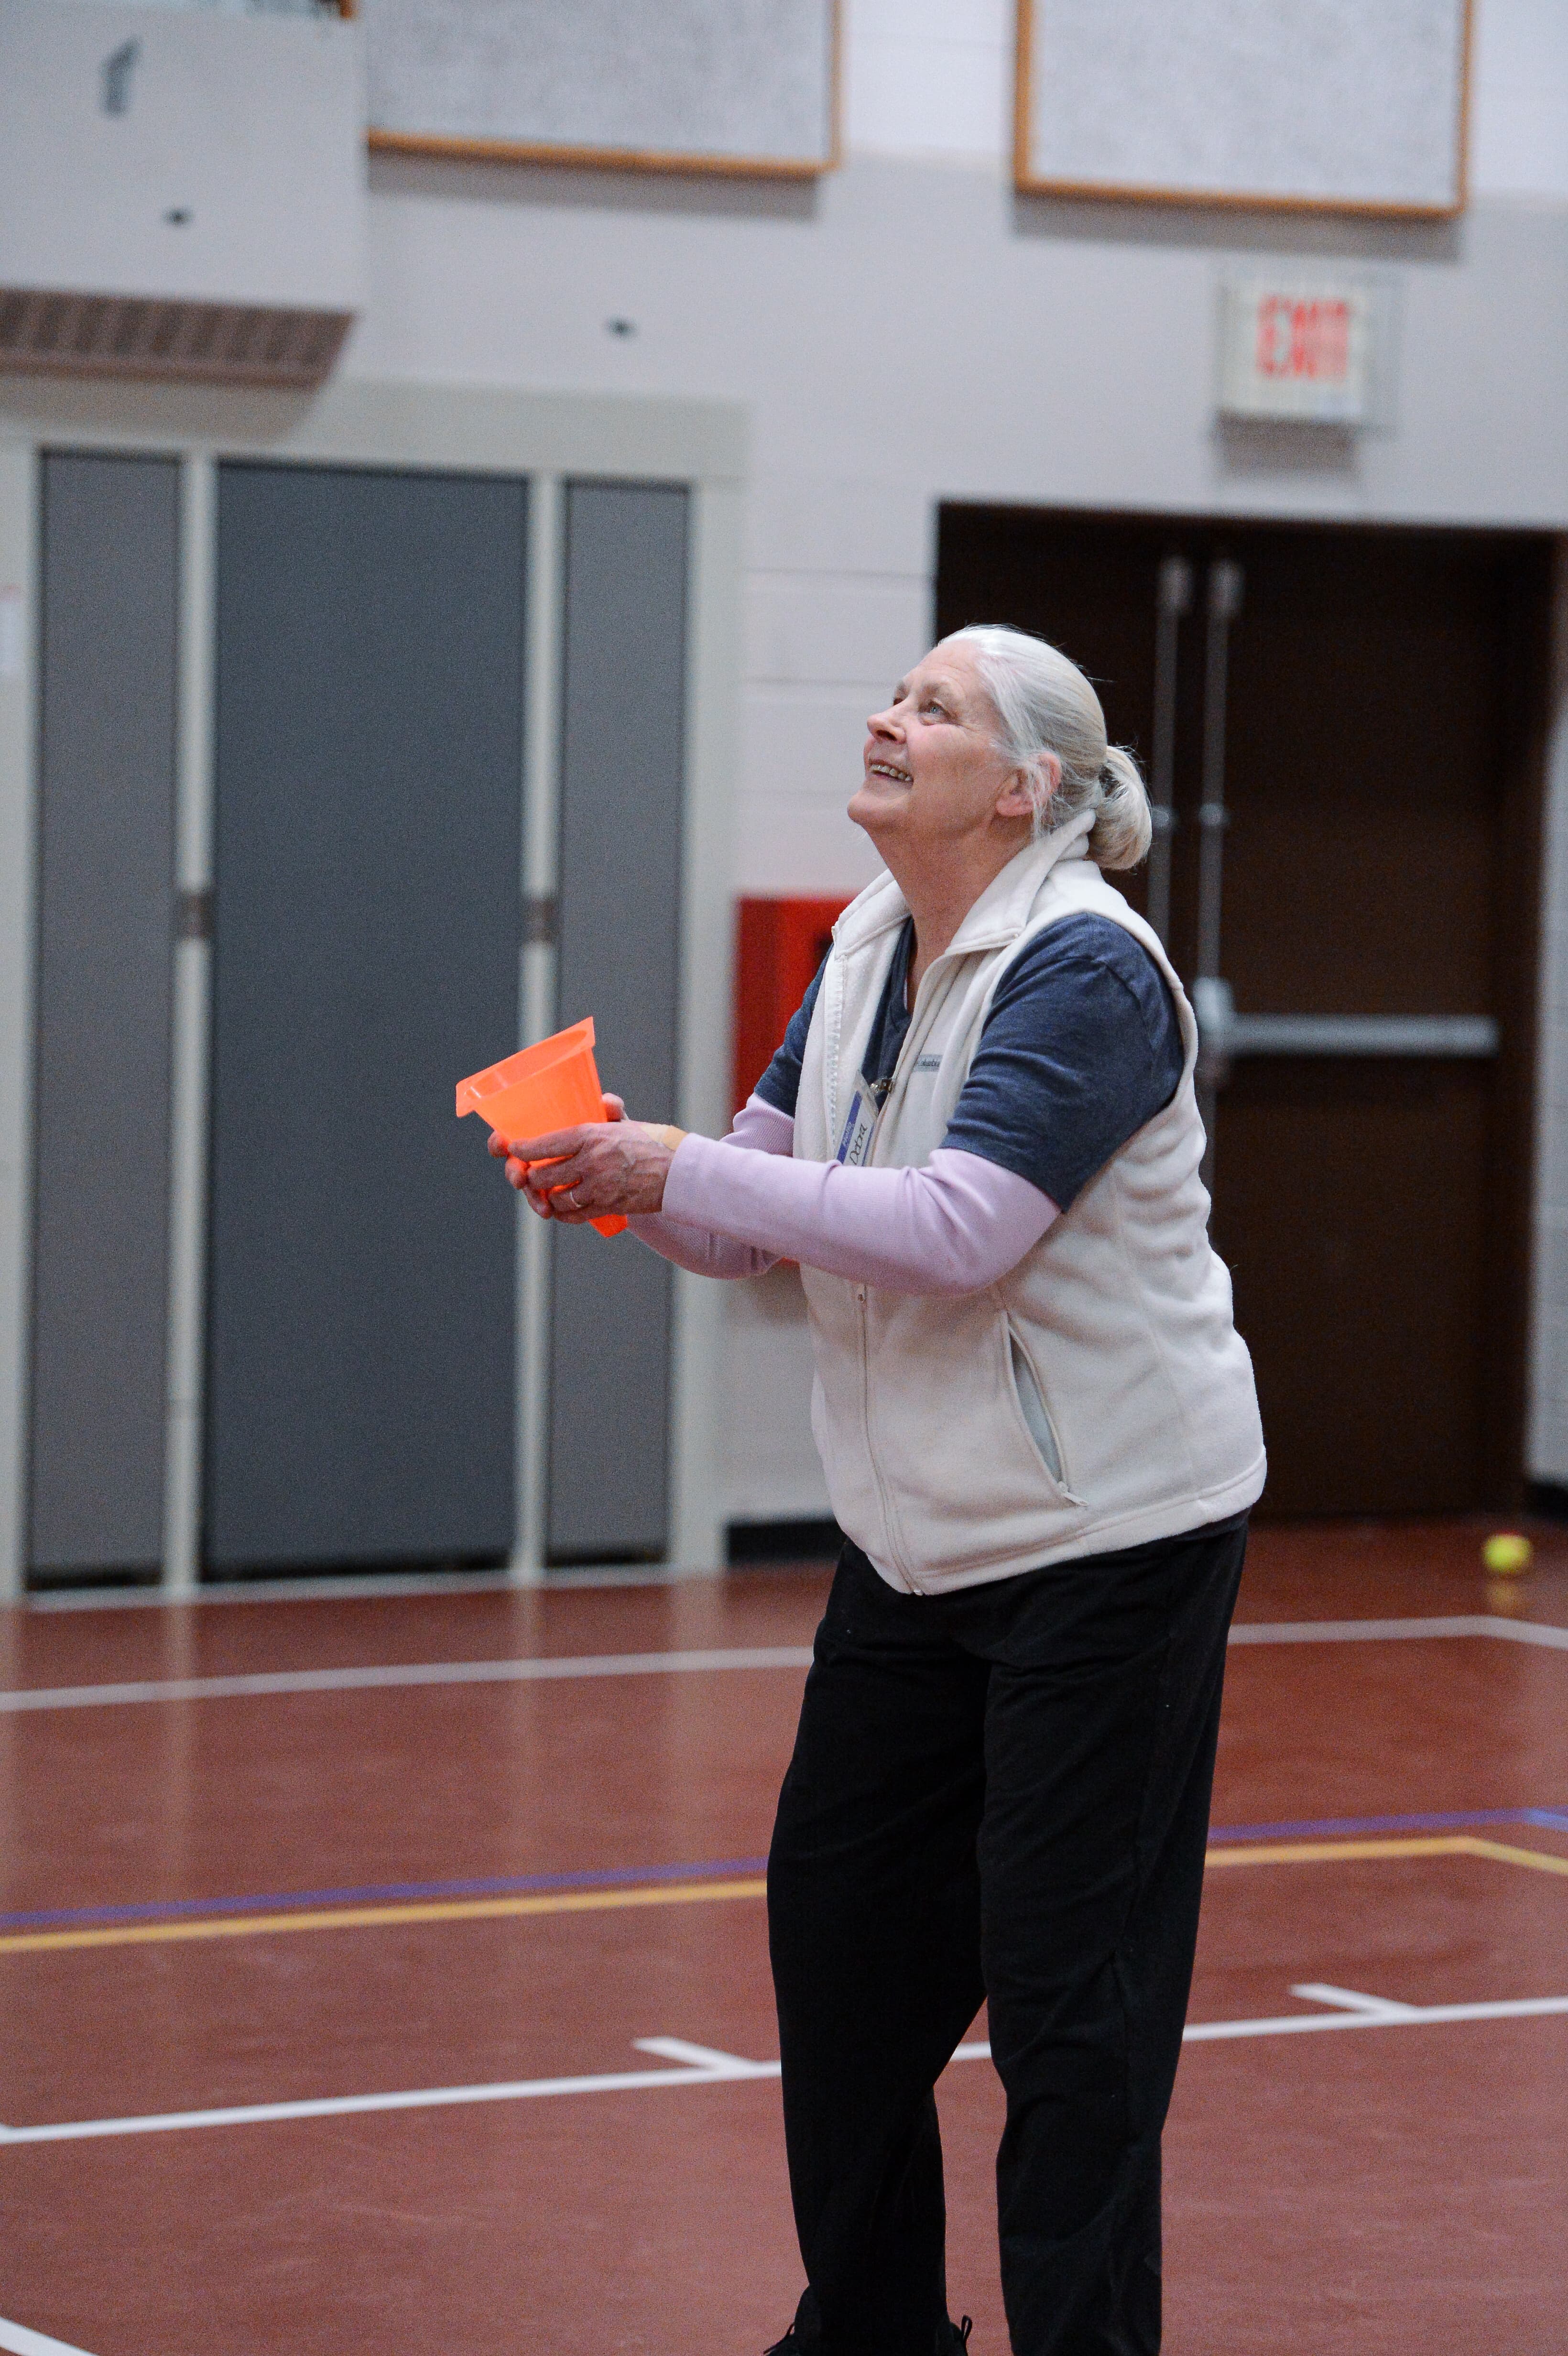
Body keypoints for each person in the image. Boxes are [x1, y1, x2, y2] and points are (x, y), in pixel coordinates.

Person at [491, 625, 1266, 2356]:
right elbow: (751, 1209)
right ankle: (872, 2332)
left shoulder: (1088, 970)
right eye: (895, 693)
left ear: (1026, 788)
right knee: (842, 1960)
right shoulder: (860, 949)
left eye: (935, 709)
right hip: (915, 1551)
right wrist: (626, 1176)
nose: (886, 717)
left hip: (1109, 1542)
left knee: (1074, 2004)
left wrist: (682, 1164)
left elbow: (960, 1231)